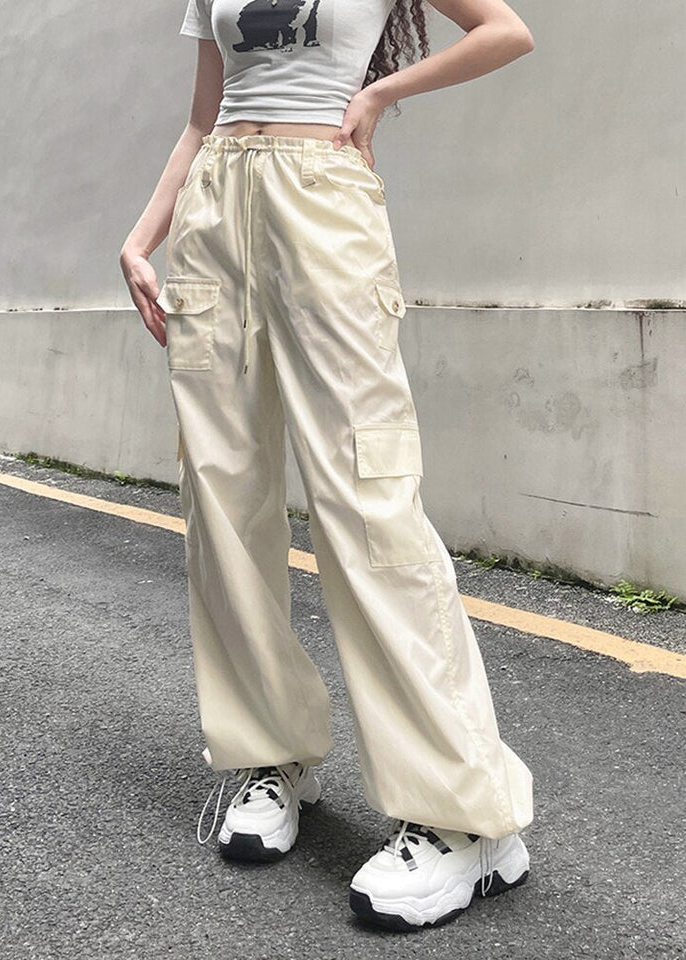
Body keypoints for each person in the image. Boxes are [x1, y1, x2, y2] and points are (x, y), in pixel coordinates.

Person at [120, 0, 535, 932]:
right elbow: (204, 116)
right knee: (221, 497)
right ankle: (271, 756)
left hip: (321, 196)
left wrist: (381, 92)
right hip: (214, 211)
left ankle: (466, 817)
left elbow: (505, 29)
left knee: (366, 495)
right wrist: (142, 235)